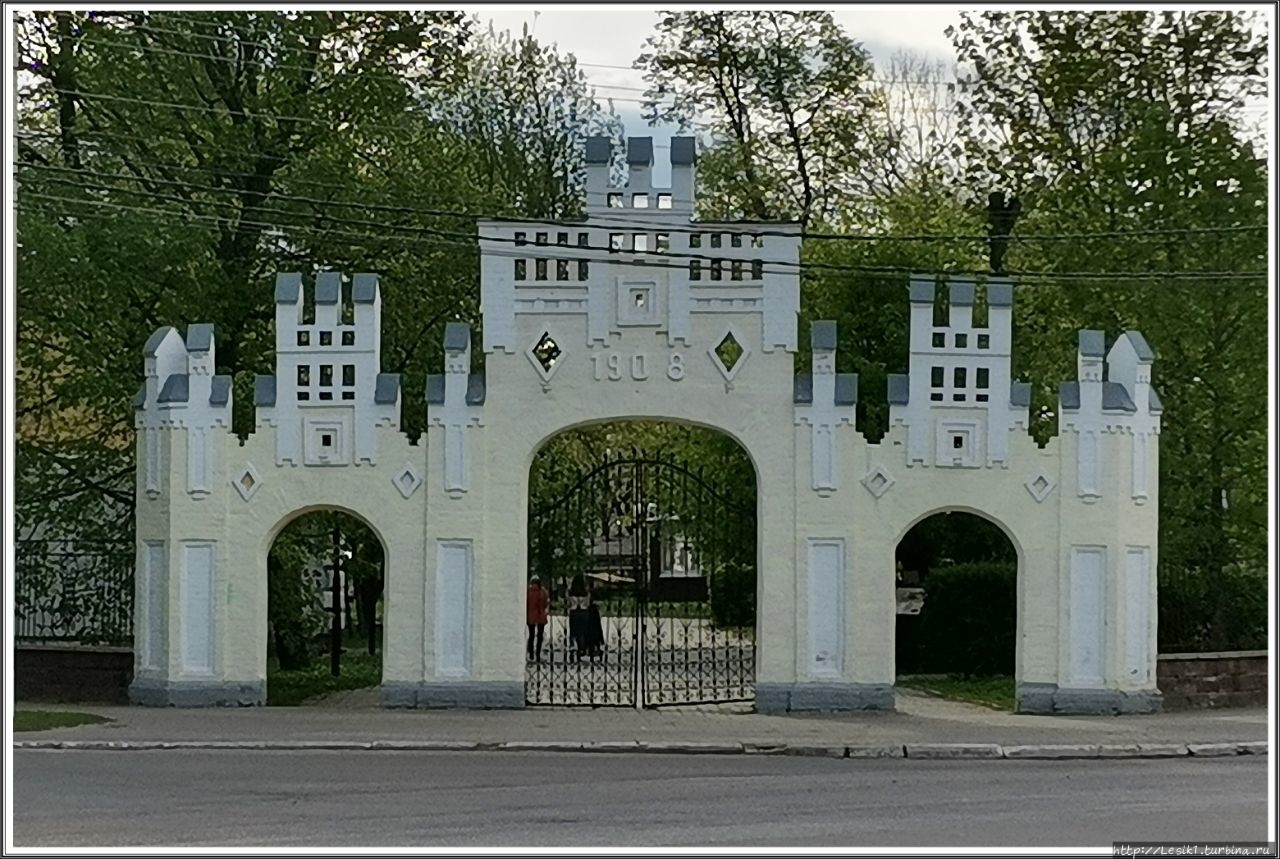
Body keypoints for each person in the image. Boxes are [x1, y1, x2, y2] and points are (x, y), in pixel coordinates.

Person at [567, 574, 590, 661]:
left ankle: (572, 647)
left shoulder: (571, 592)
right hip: (583, 613)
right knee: (581, 633)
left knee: (573, 632)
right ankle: (580, 650)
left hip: (574, 612)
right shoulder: (586, 593)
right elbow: (588, 604)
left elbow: (568, 603)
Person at [526, 575, 549, 662]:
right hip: (541, 616)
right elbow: (546, 603)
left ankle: (531, 653)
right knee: (540, 636)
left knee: (531, 635)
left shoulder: (528, 591)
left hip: (531, 615)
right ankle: (538, 654)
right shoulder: (543, 591)